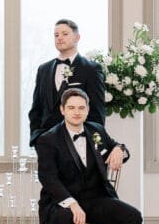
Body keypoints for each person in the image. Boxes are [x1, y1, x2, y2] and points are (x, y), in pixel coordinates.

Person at [36, 89, 143, 224]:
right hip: (60, 201)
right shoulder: (48, 139)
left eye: (81, 108)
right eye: (71, 108)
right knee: (65, 218)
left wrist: (120, 149)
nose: (77, 112)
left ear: (87, 110)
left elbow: (118, 150)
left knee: (133, 217)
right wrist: (72, 204)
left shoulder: (96, 130)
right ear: (62, 110)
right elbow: (49, 179)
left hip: (95, 199)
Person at [29, 19, 106, 147]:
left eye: (65, 34)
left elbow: (97, 113)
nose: (59, 38)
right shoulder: (43, 69)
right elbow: (36, 109)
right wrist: (37, 138)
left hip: (78, 144)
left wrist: (88, 143)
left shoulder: (91, 69)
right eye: (56, 35)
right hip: (46, 144)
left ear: (77, 38)